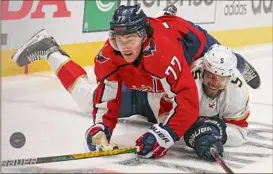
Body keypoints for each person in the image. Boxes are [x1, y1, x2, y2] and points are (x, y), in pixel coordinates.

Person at [11, 4, 204, 159]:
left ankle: (167, 17)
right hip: (148, 87)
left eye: (130, 40)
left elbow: (188, 100)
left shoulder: (163, 54)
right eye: (119, 40)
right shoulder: (108, 57)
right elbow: (106, 99)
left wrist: (165, 134)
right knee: (90, 101)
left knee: (201, 103)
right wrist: (101, 127)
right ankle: (50, 50)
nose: (125, 47)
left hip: (183, 53)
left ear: (144, 36)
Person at [120, 44, 250, 162]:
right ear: (203, 69)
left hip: (183, 111)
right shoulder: (188, 80)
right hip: (144, 98)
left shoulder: (238, 92)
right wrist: (192, 134)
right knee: (107, 102)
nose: (215, 83)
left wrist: (217, 132)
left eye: (221, 78)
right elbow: (164, 116)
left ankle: (241, 63)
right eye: (211, 75)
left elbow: (240, 132)